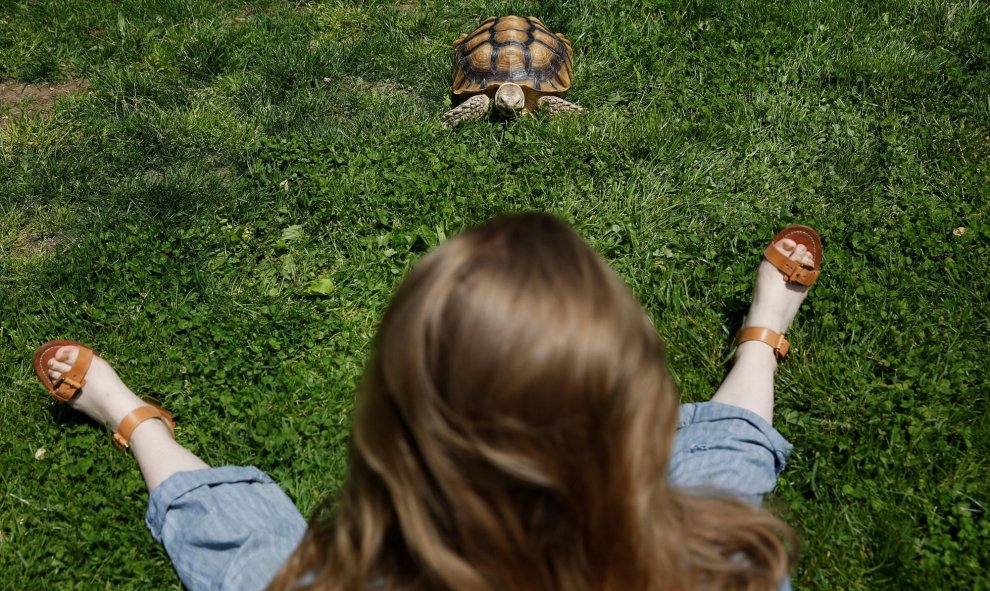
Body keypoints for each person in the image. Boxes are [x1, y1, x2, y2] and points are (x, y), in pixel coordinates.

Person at [33, 213, 821, 591]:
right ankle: (762, 333)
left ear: (388, 433)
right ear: (643, 416)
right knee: (726, 473)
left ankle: (131, 416)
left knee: (243, 557)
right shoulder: (733, 571)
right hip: (661, 554)